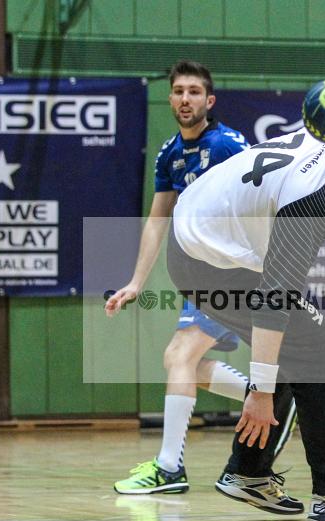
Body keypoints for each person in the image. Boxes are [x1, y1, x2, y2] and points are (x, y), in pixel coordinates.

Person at [167, 108, 325, 521]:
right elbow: (274, 298)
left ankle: (249, 471)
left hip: (201, 243)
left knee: (298, 347)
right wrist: (261, 393)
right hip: (209, 260)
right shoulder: (314, 199)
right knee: (324, 348)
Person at [107, 60, 295, 495]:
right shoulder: (170, 153)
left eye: (194, 91)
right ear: (170, 98)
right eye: (178, 91)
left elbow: (261, 203)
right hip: (201, 276)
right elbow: (157, 220)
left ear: (209, 101)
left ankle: (170, 468)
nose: (185, 98)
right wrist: (136, 283)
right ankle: (264, 395)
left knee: (179, 356)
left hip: (233, 275)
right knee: (190, 365)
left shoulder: (229, 146)